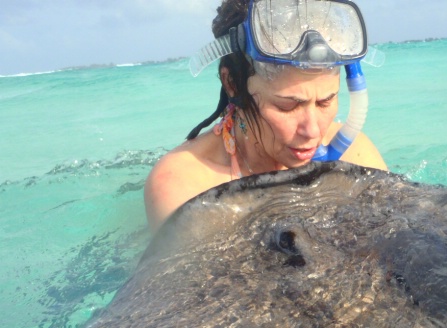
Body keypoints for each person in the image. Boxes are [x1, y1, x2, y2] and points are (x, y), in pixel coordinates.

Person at [144, 0, 387, 230]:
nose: (312, 131)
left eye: (325, 101)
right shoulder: (184, 183)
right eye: (287, 106)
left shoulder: (358, 154)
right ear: (233, 84)